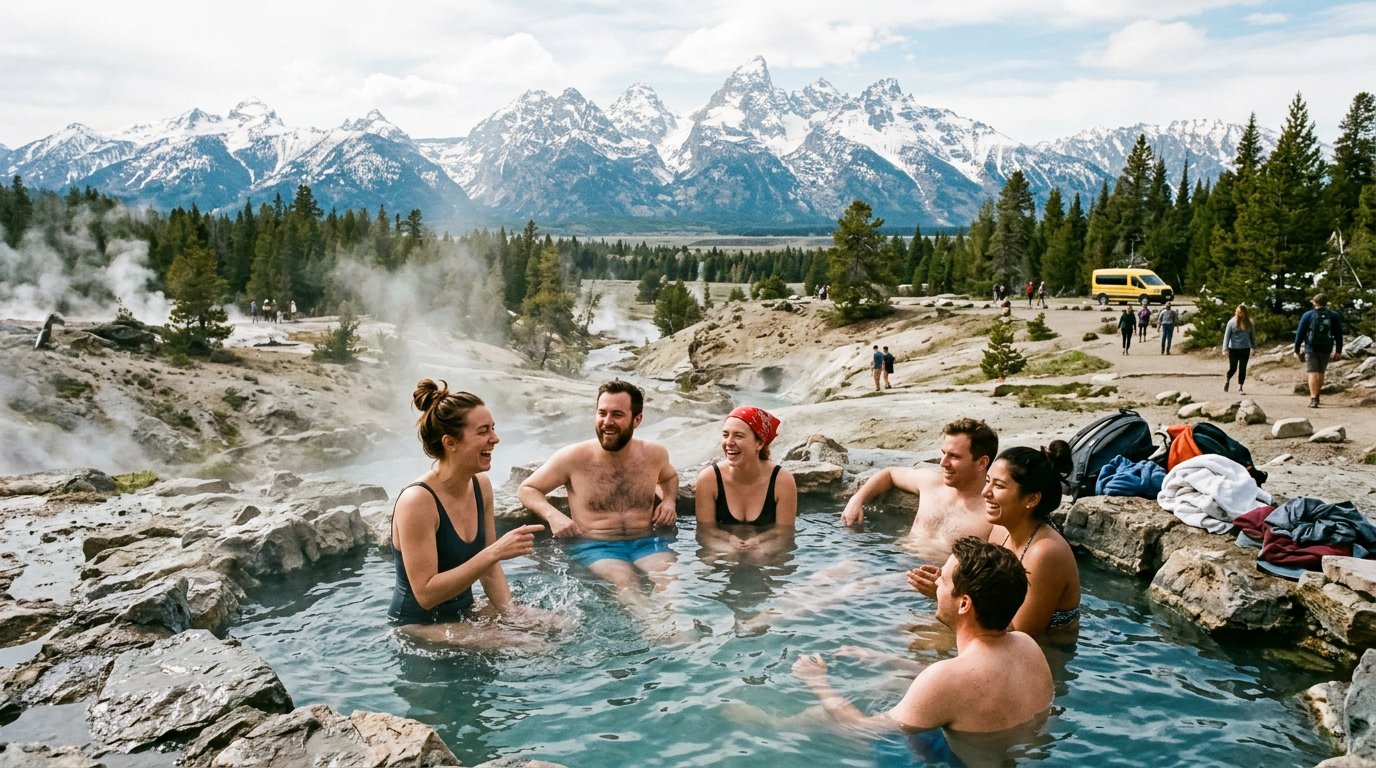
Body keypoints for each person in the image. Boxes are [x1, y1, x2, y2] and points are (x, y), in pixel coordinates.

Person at [791, 536, 1053, 758]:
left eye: (945, 578)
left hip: (955, 763)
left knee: (823, 717)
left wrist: (817, 682)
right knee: (896, 681)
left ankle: (771, 726)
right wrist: (885, 659)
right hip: (1006, 756)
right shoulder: (1027, 644)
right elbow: (969, 685)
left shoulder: (946, 677)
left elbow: (862, 728)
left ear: (964, 604)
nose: (936, 581)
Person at [389, 380, 557, 646]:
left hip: (464, 612)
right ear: (450, 442)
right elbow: (426, 594)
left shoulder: (480, 485)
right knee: (532, 646)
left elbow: (489, 571)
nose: (495, 438)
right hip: (418, 625)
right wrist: (495, 551)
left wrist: (511, 614)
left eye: (493, 428)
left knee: (561, 626)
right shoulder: (418, 501)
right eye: (483, 431)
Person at [518, 380, 680, 603]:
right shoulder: (573, 457)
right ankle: (656, 631)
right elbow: (527, 488)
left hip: (645, 541)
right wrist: (553, 515)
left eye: (617, 414)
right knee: (624, 581)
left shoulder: (654, 454)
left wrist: (669, 500)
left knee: (668, 578)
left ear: (637, 420)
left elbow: (669, 476)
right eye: (602, 413)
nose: (607, 422)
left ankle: (678, 633)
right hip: (595, 545)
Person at [909, 444, 1080, 637]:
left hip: (1046, 653)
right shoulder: (1001, 528)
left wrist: (951, 599)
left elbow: (1021, 636)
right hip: (996, 636)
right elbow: (990, 593)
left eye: (998, 486)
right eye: (988, 481)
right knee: (906, 632)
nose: (985, 492)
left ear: (1031, 499)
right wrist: (950, 586)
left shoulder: (1045, 552)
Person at [841, 419, 997, 562]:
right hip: (889, 559)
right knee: (824, 578)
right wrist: (856, 500)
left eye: (954, 456)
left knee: (852, 589)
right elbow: (890, 473)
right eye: (943, 453)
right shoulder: (931, 483)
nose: (943, 463)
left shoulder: (993, 514)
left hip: (927, 581)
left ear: (982, 462)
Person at [694, 407, 797, 560]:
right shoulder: (709, 479)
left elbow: (784, 533)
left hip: (765, 546)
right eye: (725, 435)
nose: (729, 442)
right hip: (723, 545)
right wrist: (728, 541)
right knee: (713, 561)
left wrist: (759, 543)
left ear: (760, 443)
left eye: (739, 436)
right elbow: (705, 531)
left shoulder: (782, 481)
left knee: (768, 560)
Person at [1295, 293, 1345, 408]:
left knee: (1313, 373)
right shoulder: (1334, 315)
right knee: (1321, 372)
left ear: (1315, 303)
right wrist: (1338, 350)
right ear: (1326, 303)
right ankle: (1317, 395)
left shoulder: (1308, 315)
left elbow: (1300, 333)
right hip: (1326, 347)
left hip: (1311, 347)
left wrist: (1297, 349)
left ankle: (1313, 398)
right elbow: (1338, 334)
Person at [1222, 304, 1258, 396]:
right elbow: (1227, 336)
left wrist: (1253, 347)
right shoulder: (1231, 322)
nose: (1240, 315)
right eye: (1238, 313)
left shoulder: (1250, 322)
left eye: (1241, 313)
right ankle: (1227, 380)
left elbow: (1252, 336)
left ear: (1245, 313)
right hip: (1233, 348)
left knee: (1243, 369)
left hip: (1245, 348)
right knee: (1233, 368)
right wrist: (1225, 349)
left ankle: (1240, 386)